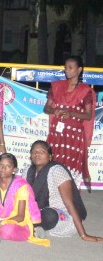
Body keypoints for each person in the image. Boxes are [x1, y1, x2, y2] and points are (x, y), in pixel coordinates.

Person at [26, 140, 102, 241]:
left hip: (60, 215)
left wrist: (84, 235)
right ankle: (36, 228)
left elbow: (69, 203)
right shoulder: (28, 171)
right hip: (37, 211)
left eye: (42, 151)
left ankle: (31, 226)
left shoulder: (57, 171)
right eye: (34, 151)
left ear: (50, 156)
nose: (37, 154)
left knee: (49, 215)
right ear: (30, 156)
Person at [42, 55, 95, 183]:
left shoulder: (85, 90)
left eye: (71, 68)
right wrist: (54, 110)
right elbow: (46, 108)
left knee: (71, 167)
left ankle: (70, 193)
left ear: (79, 69)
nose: (67, 70)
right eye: (66, 67)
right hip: (57, 132)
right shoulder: (57, 86)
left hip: (74, 135)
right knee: (54, 161)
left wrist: (71, 114)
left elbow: (88, 115)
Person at [0, 153, 49, 246]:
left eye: (8, 166)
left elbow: (20, 216)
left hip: (16, 221)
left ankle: (33, 231)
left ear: (14, 169)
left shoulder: (21, 186)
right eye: (1, 165)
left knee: (6, 231)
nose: (3, 168)